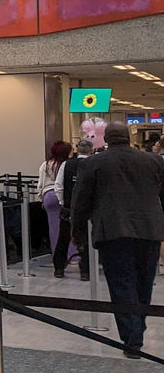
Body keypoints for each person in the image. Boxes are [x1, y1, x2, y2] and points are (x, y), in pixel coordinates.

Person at [71, 122, 164, 359]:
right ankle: (137, 328)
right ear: (127, 137)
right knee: (144, 282)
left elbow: (80, 201)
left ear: (106, 139)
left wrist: (77, 232)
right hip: (149, 231)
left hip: (113, 231)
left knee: (122, 284)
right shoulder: (153, 161)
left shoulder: (93, 163)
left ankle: (132, 339)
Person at [54, 139, 95, 279]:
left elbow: (58, 186)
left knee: (63, 238)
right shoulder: (94, 164)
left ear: (77, 150)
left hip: (68, 208)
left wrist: (63, 202)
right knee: (87, 239)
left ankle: (59, 268)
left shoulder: (66, 164)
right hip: (88, 210)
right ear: (91, 150)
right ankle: (85, 271)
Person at [39, 141, 71, 265]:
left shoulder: (45, 165)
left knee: (54, 228)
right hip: (64, 196)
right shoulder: (66, 165)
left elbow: (40, 184)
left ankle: (56, 255)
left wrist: (42, 198)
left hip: (48, 196)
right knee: (68, 227)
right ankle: (71, 255)